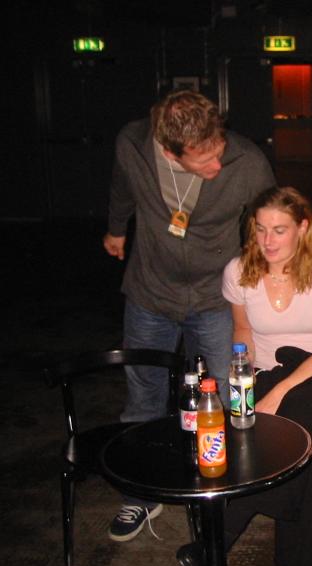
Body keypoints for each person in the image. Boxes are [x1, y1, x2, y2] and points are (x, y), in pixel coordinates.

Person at [102, 89, 275, 541]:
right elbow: (122, 188)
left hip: (215, 296)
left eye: (219, 151)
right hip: (150, 291)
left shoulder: (248, 161)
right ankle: (141, 494)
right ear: (168, 150)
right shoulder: (132, 145)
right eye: (204, 160)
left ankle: (229, 493)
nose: (218, 165)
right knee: (143, 397)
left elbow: (274, 218)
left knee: (228, 395)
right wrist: (116, 229)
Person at [175, 186, 312, 566]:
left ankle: (217, 539)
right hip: (268, 377)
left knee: (300, 413)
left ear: (302, 228)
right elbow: (242, 332)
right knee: (306, 456)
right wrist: (244, 382)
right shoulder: (238, 271)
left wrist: (278, 395)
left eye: (279, 230)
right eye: (260, 229)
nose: (267, 241)